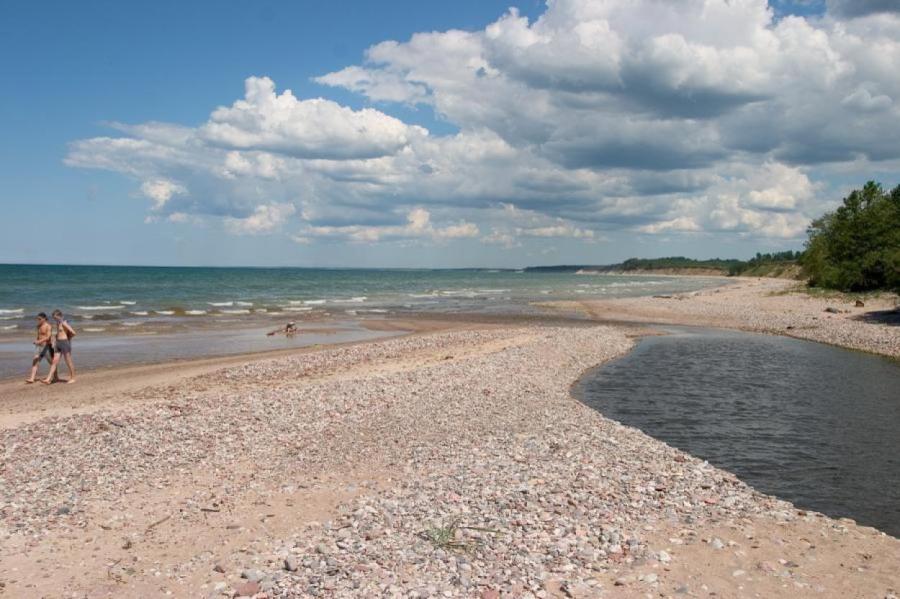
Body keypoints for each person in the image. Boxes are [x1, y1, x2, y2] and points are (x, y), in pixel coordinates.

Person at [43, 309, 77, 384]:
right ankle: (48, 379)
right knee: (54, 362)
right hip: (58, 344)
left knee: (68, 362)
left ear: (60, 316)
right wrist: (54, 340)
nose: (54, 319)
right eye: (54, 318)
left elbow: (73, 333)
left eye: (55, 317)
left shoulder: (64, 323)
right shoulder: (58, 323)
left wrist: (68, 338)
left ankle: (73, 378)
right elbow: (59, 333)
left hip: (64, 343)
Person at [26, 312, 55, 383]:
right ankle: (32, 378)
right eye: (37, 319)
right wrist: (37, 342)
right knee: (35, 361)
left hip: (47, 347)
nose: (38, 320)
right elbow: (39, 335)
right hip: (39, 347)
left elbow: (48, 337)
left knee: (52, 363)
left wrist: (39, 341)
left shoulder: (48, 326)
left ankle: (56, 377)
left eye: (40, 319)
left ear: (44, 318)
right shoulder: (38, 326)